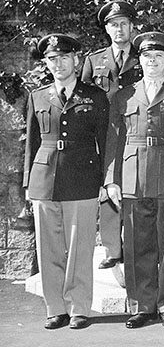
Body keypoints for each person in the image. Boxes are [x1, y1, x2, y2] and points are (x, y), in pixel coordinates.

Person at [105, 32, 164, 329]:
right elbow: (114, 141)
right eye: (147, 57)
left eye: (158, 57)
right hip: (134, 177)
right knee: (137, 244)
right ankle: (141, 306)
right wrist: (112, 180)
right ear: (140, 61)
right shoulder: (124, 95)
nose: (152, 62)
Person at [25, 34, 109, 329]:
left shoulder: (95, 96)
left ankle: (78, 307)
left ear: (76, 59)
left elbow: (105, 141)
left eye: (63, 57)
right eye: (52, 59)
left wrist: (105, 180)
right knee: (48, 248)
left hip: (82, 177)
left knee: (79, 247)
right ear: (47, 64)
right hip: (44, 179)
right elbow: (32, 143)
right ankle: (55, 308)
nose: (58, 64)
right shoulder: (38, 96)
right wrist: (28, 184)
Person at [81, 0, 142, 269]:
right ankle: (112, 249)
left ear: (132, 27)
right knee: (108, 187)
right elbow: (83, 97)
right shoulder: (94, 60)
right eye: (114, 25)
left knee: (134, 186)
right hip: (104, 133)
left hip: (135, 130)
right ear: (107, 29)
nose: (119, 30)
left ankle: (134, 245)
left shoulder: (144, 57)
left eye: (124, 24)